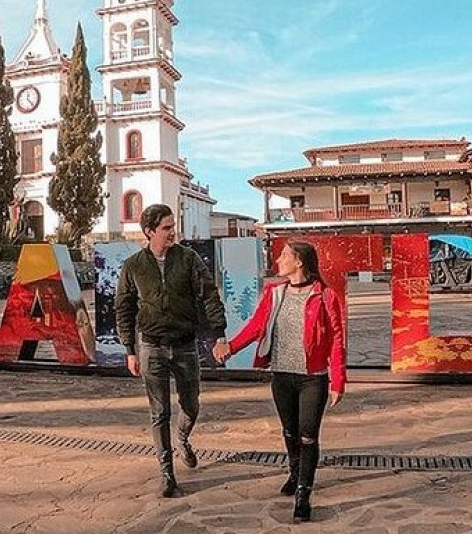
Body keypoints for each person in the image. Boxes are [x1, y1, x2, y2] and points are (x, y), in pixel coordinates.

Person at [213, 241, 346, 523]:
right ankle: (295, 470)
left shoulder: (325, 296)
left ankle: (303, 494)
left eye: (285, 255)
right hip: (282, 375)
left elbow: (336, 339)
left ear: (300, 262)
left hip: (314, 378)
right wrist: (231, 348)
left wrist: (338, 380)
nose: (279, 260)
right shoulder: (275, 293)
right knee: (289, 431)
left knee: (308, 435)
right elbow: (256, 326)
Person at [115, 203, 227, 498]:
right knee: (159, 412)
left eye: (172, 226)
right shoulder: (134, 266)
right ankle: (166, 473)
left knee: (191, 405)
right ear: (150, 231)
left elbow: (209, 295)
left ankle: (183, 438)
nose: (172, 232)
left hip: (185, 346)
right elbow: (123, 308)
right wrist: (129, 349)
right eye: (166, 228)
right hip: (151, 347)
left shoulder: (188, 259)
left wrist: (219, 334)